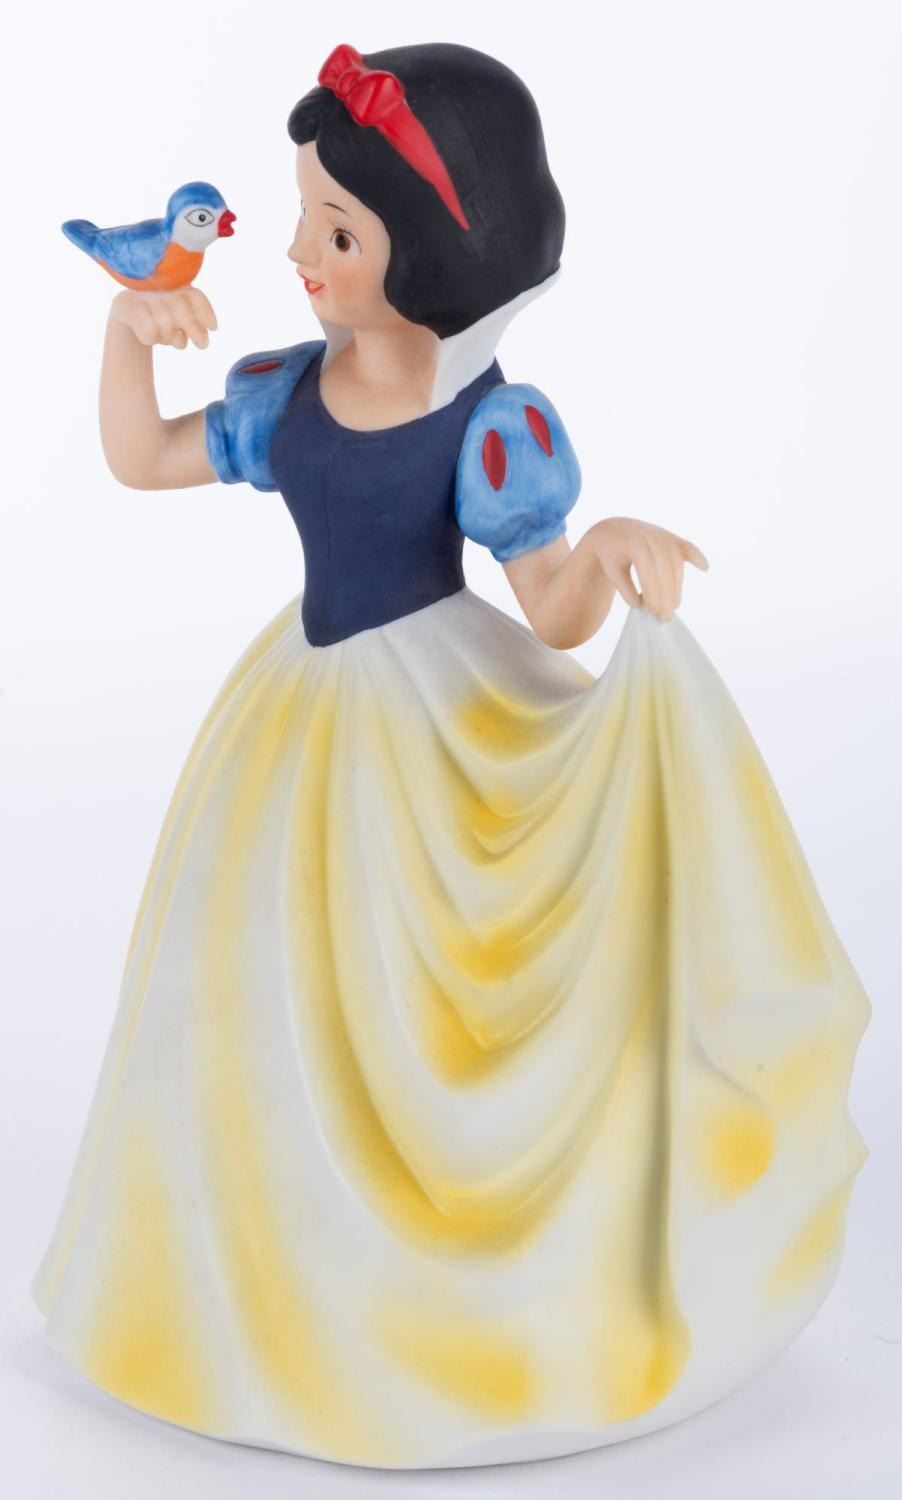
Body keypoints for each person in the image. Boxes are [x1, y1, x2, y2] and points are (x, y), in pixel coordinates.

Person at [32, 42, 871, 1470]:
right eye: (304, 219)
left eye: (337, 233)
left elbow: (550, 612)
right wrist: (126, 332)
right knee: (263, 988)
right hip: (297, 726)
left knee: (431, 987)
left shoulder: (493, 427)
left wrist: (603, 550)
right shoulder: (287, 394)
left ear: (427, 252)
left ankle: (452, 1275)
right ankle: (277, 1267)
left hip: (435, 717)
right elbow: (144, 458)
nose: (299, 255)